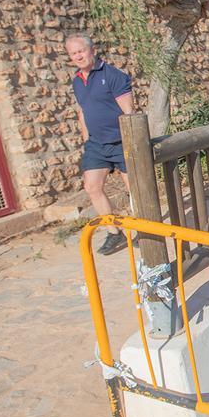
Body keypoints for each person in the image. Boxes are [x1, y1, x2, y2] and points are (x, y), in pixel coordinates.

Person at [65, 34, 134, 255]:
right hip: (96, 144)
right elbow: (83, 111)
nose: (78, 56)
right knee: (92, 187)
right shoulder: (77, 81)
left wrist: (131, 143)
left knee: (135, 189)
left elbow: (129, 112)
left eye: (81, 51)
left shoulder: (113, 76)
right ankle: (115, 233)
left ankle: (148, 230)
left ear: (92, 50)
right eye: (73, 53)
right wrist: (87, 140)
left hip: (120, 141)